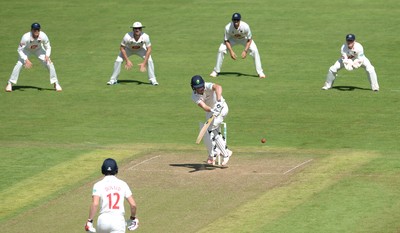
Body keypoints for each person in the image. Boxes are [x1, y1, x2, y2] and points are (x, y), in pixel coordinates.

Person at [85, 158, 139, 233]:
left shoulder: (98, 185)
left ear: (103, 170)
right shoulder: (123, 184)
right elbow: (133, 205)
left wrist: (89, 221)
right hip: (118, 221)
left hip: (103, 220)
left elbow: (95, 203)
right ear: (116, 170)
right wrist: (133, 218)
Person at [5, 23, 62, 92]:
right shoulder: (25, 37)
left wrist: (47, 55)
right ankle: (10, 83)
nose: (36, 31)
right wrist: (26, 59)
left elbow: (48, 47)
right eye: (34, 30)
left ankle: (56, 83)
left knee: (49, 63)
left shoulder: (43, 36)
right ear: (31, 30)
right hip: (26, 50)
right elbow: (19, 50)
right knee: (19, 64)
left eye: (37, 30)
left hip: (38, 49)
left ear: (39, 30)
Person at [191, 75, 233, 166]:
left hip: (222, 107)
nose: (201, 88)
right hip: (211, 111)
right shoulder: (194, 96)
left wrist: (218, 102)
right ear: (194, 88)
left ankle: (226, 154)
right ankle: (218, 151)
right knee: (213, 131)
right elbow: (204, 107)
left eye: (202, 86)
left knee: (211, 130)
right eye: (198, 88)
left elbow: (218, 87)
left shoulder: (207, 85)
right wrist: (211, 110)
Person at [210, 13, 265, 79]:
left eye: (237, 20)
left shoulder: (245, 26)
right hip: (232, 39)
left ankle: (260, 72)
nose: (236, 22)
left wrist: (245, 51)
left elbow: (249, 39)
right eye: (234, 20)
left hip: (244, 39)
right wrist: (231, 51)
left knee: (254, 50)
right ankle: (216, 71)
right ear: (232, 20)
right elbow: (226, 40)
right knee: (221, 49)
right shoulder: (228, 27)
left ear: (240, 20)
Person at [107, 21, 159, 86]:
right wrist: (127, 60)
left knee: (150, 60)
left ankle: (153, 80)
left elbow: (149, 49)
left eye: (139, 28)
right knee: (118, 60)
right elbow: (122, 48)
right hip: (128, 49)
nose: (137, 30)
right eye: (136, 28)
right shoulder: (127, 36)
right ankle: (113, 80)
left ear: (141, 29)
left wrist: (144, 63)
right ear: (133, 29)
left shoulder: (146, 36)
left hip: (140, 49)